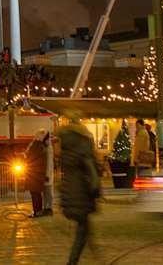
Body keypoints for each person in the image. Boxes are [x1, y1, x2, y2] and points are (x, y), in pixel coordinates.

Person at [59, 109, 100, 265]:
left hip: (69, 193)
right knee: (83, 230)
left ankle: (94, 255)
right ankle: (73, 261)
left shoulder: (66, 146)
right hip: (82, 194)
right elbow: (92, 173)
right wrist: (95, 190)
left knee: (85, 229)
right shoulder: (83, 146)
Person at [24, 129, 51, 217]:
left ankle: (37, 212)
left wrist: (25, 155)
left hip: (34, 174)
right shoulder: (42, 146)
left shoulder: (35, 145)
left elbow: (29, 156)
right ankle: (38, 211)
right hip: (39, 174)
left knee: (34, 194)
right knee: (37, 193)